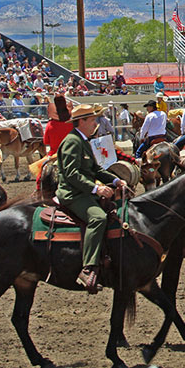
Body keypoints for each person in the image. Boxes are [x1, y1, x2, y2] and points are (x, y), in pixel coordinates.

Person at [56, 104, 127, 293]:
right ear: (81, 122)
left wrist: (115, 180)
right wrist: (96, 189)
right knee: (98, 218)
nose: (96, 122)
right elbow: (71, 173)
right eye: (92, 119)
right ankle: (88, 268)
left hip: (83, 191)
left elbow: (95, 169)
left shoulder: (82, 140)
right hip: (73, 194)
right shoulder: (73, 142)